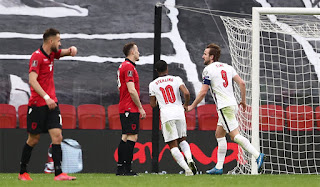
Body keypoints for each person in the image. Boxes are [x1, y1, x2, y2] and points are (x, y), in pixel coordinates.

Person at [187, 43, 265, 175]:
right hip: (232, 104)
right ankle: (218, 167)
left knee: (235, 136)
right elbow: (242, 83)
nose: (202, 56)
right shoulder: (227, 67)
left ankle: (257, 155)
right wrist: (243, 101)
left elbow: (202, 93)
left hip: (224, 107)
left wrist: (192, 106)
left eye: (205, 54)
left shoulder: (208, 70)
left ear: (211, 57)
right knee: (219, 134)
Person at [18, 28, 77, 181]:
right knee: (33, 139)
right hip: (38, 104)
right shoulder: (36, 57)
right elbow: (32, 80)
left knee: (57, 136)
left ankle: (59, 174)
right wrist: (45, 97)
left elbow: (61, 52)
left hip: (52, 103)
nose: (60, 43)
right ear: (50, 41)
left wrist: (70, 50)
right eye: (58, 40)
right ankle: (22, 172)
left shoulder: (52, 53)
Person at [149, 60, 197, 176]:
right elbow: (186, 93)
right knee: (182, 140)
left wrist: (157, 100)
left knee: (173, 145)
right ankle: (190, 159)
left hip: (167, 115)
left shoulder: (153, 84)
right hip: (179, 113)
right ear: (167, 68)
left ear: (156, 71)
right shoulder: (176, 79)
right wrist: (185, 104)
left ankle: (187, 170)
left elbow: (153, 104)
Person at [116, 42, 146, 176]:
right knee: (132, 136)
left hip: (124, 106)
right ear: (132, 52)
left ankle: (121, 168)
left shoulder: (124, 65)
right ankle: (126, 169)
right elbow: (132, 90)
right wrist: (140, 107)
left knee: (125, 136)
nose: (139, 53)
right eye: (137, 50)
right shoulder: (128, 67)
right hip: (129, 107)